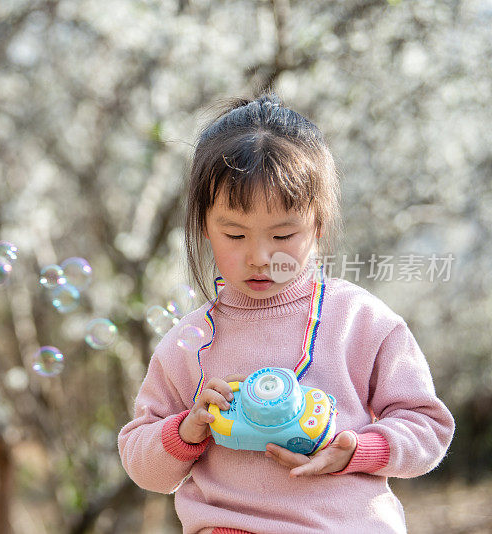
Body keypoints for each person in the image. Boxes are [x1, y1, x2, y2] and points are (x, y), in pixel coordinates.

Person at [117, 94, 454, 534]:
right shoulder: (190, 341)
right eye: (235, 233)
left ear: (318, 224)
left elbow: (427, 426)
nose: (259, 256)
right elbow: (142, 463)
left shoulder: (360, 320)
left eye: (283, 233)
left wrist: (359, 449)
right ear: (202, 226)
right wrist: (188, 428)